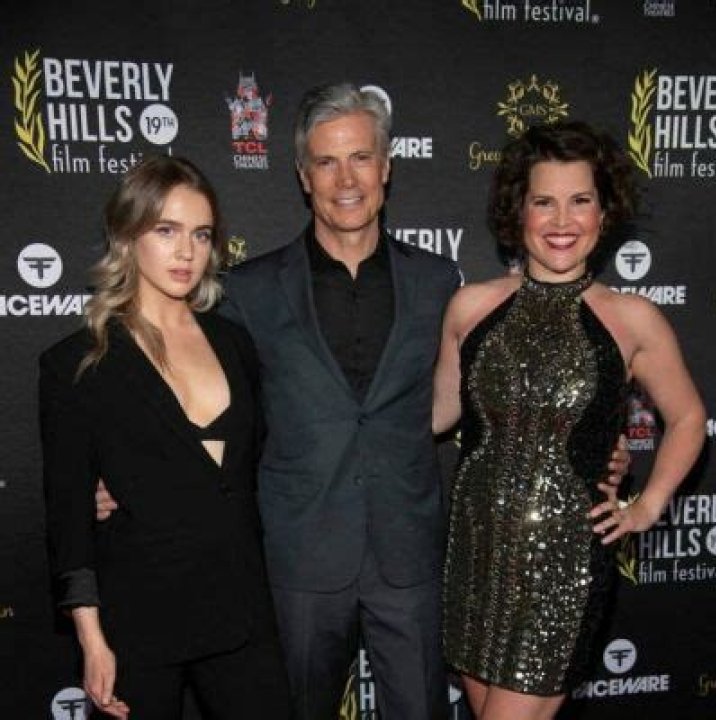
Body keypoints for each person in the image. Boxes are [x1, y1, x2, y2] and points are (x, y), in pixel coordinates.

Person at [97, 88, 630, 719]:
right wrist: (129, 471)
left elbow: (501, 388)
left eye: (361, 158)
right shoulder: (249, 290)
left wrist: (595, 444)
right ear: (303, 175)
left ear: (387, 167)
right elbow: (194, 392)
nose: (346, 180)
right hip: (299, 561)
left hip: (412, 559)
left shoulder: (440, 283)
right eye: (326, 162)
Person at [433, 121, 706, 720]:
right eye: (544, 202)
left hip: (563, 566)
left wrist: (647, 505)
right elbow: (437, 413)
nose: (562, 221)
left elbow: (688, 417)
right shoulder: (470, 307)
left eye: (580, 200)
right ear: (519, 212)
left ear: (604, 213)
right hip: (474, 555)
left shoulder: (632, 318)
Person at [40, 156, 290, 719]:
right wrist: (91, 640)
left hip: (240, 609)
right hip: (139, 620)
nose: (186, 252)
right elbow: (67, 523)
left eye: (201, 234)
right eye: (166, 230)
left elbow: (246, 470)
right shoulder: (79, 363)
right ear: (129, 236)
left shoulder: (234, 343)